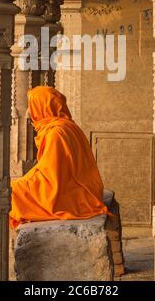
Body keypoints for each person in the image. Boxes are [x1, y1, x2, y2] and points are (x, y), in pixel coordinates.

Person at [9, 86, 108, 229]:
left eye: (32, 105)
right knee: (17, 187)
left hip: (72, 191)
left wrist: (20, 184)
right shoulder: (67, 126)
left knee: (11, 194)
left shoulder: (56, 133)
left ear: (42, 107)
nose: (30, 111)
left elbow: (51, 175)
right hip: (79, 186)